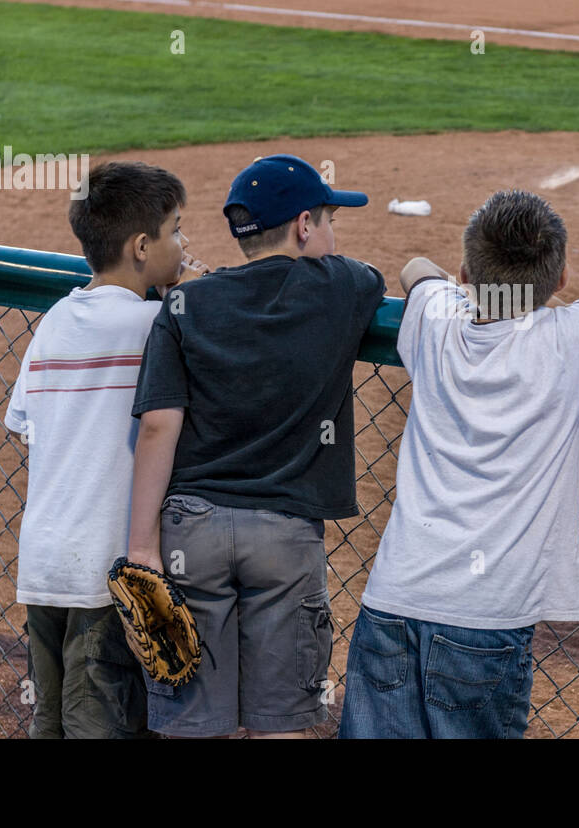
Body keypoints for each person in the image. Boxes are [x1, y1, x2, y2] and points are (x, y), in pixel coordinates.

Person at [338, 189, 579, 738]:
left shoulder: (436, 316)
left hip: (393, 601)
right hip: (486, 617)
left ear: (465, 271)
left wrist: (454, 287)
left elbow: (414, 268)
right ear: (562, 277)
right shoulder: (573, 332)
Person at [126, 153, 385, 738]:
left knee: (194, 723)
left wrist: (142, 546)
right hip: (284, 533)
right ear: (302, 226)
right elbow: (368, 276)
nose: (332, 232)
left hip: (192, 527)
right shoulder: (340, 289)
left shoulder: (187, 304)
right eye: (328, 220)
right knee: (281, 723)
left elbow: (158, 425)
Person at [5, 161, 207, 738]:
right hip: (108, 573)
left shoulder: (54, 322)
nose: (184, 243)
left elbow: (26, 428)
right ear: (142, 246)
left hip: (44, 562)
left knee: (51, 719)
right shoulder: (157, 326)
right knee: (101, 723)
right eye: (175, 230)